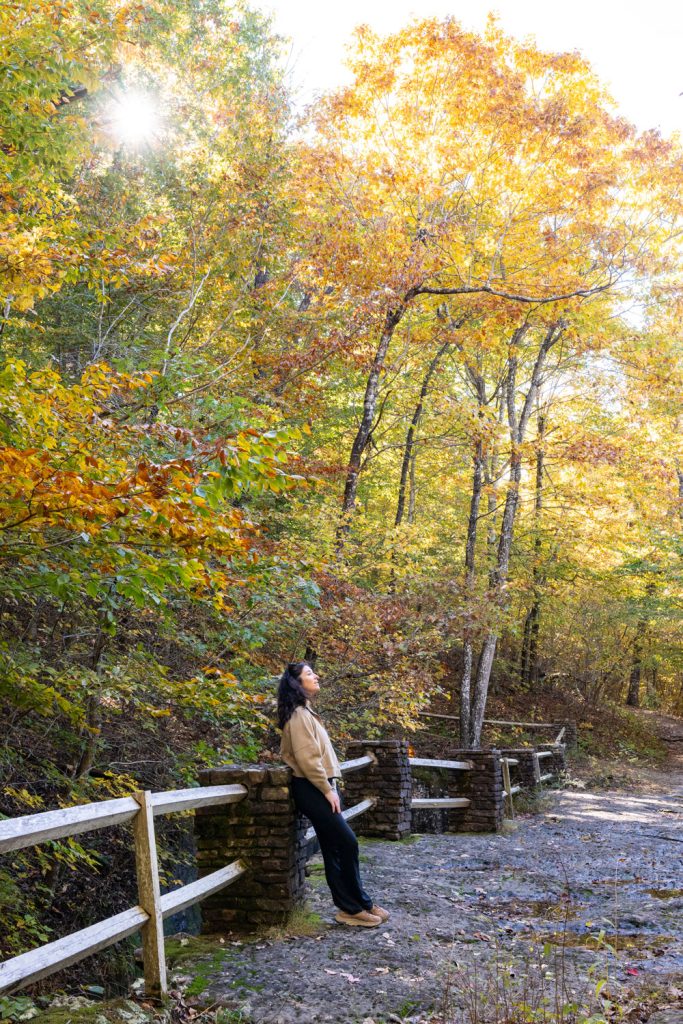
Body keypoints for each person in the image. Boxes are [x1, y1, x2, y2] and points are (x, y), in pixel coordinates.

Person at [277, 661, 389, 928]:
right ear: (297, 683)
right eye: (308, 674)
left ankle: (357, 904)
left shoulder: (305, 712)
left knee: (334, 847)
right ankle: (352, 906)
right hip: (312, 787)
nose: (315, 676)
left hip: (318, 786)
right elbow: (308, 759)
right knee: (347, 843)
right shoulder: (299, 716)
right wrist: (327, 790)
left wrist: (330, 786)